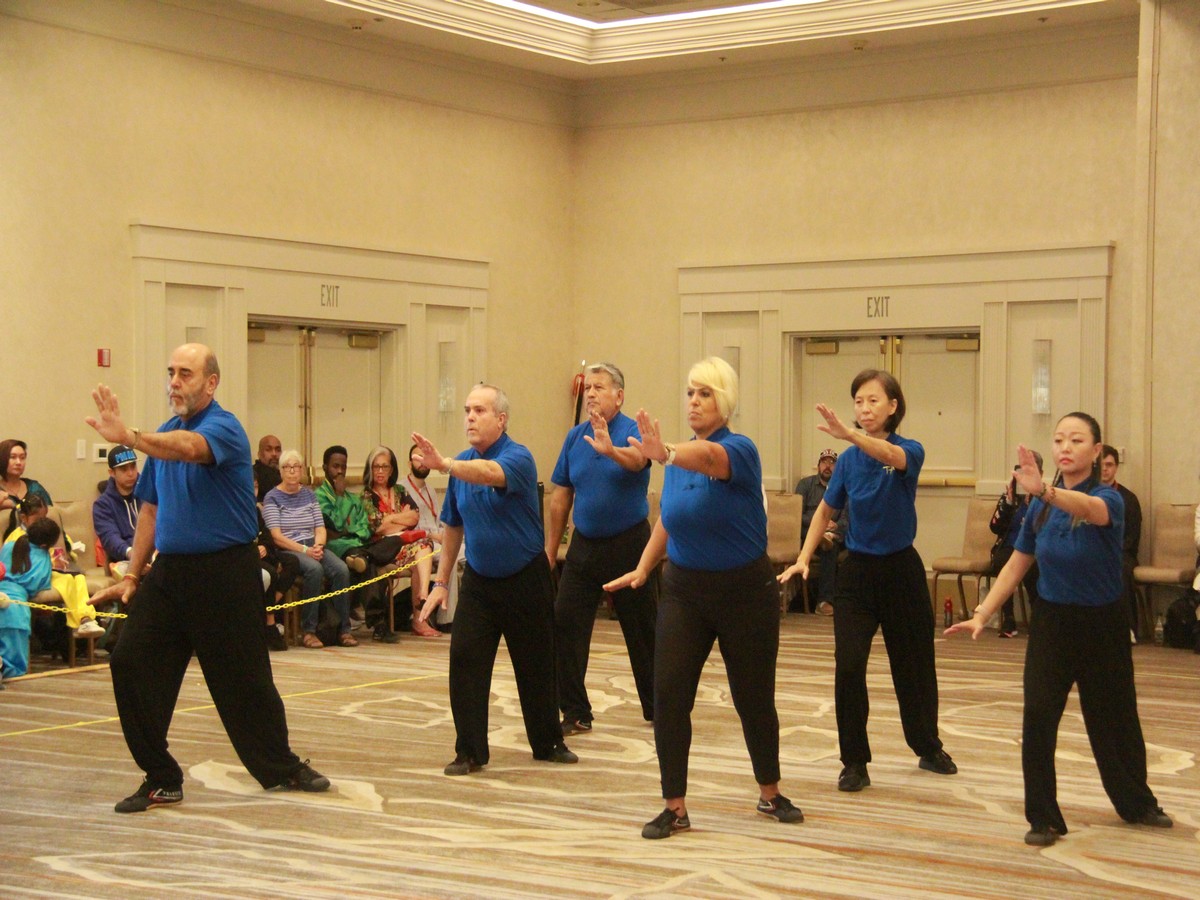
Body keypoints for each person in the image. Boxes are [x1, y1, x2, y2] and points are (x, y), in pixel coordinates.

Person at [85, 342, 330, 813]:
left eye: (186, 373)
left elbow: (191, 449)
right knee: (129, 662)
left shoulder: (224, 428)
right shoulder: (162, 435)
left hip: (225, 572)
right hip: (171, 573)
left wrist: (130, 436)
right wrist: (133, 576)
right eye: (171, 372)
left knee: (245, 682)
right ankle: (161, 777)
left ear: (211, 383)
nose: (174, 382)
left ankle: (280, 767)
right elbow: (150, 510)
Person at [945, 412, 1173, 846]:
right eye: (1059, 440)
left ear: (1097, 451)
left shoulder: (1110, 498)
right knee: (1038, 715)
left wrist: (1045, 491)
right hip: (1052, 622)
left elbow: (1089, 510)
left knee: (1114, 719)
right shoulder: (1039, 507)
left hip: (1103, 624)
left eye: (1076, 440)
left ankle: (1137, 802)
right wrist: (983, 612)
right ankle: (1043, 817)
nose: (1065, 447)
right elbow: (1017, 564)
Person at [605, 357, 804, 840]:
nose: (694, 401)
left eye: (705, 393)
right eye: (690, 392)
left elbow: (711, 460)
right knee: (670, 695)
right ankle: (674, 806)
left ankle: (770, 792)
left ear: (725, 402)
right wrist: (644, 566)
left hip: (745, 592)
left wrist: (667, 452)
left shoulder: (739, 449)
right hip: (685, 592)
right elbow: (671, 518)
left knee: (753, 697)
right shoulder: (676, 462)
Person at [779, 368, 956, 793]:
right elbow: (826, 511)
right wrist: (803, 557)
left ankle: (927, 745)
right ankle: (854, 761)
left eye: (873, 400)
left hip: (902, 571)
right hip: (857, 573)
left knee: (914, 665)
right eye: (858, 401)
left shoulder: (910, 449)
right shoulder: (847, 462)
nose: (864, 408)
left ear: (893, 406)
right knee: (849, 664)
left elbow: (891, 457)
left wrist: (850, 435)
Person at [412, 384, 578, 776]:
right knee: (465, 661)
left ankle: (548, 742)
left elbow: (491, 474)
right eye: (467, 410)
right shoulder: (460, 465)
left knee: (536, 666)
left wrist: (445, 464)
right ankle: (469, 751)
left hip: (525, 579)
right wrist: (441, 583)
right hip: (480, 583)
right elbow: (453, 526)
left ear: (501, 420)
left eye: (479, 410)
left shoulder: (518, 457)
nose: (470, 417)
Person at [546, 362, 656, 735]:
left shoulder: (633, 430)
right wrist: (550, 552)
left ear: (619, 396)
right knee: (566, 623)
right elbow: (561, 496)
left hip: (629, 544)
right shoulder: (574, 438)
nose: (590, 393)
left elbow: (639, 461)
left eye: (599, 387)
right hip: (584, 546)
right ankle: (575, 711)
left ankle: (659, 708)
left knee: (642, 631)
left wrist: (610, 450)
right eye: (588, 388)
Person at [263, 449, 356, 649]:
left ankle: (344, 629)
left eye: (296, 467)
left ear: (302, 470)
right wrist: (306, 550)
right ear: (281, 471)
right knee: (314, 569)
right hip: (289, 549)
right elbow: (276, 537)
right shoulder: (272, 497)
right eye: (287, 467)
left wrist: (318, 546)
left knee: (341, 569)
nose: (292, 471)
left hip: (313, 544)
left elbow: (320, 528)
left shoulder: (309, 494)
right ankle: (309, 631)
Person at [362, 445, 437, 638]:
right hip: (382, 550)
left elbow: (414, 517)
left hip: (404, 547)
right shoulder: (366, 496)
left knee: (423, 546)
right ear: (370, 469)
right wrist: (400, 519)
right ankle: (420, 612)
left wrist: (390, 520)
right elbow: (376, 527)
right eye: (376, 467)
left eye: (385, 466)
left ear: (392, 469)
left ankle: (421, 604)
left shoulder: (400, 490)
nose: (380, 471)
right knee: (420, 548)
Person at [6, 495, 105, 639]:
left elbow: (64, 550)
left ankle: (85, 620)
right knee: (67, 581)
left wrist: (62, 559)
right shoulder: (15, 538)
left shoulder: (46, 533)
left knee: (78, 579)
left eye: (44, 518)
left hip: (50, 573)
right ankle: (81, 620)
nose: (42, 522)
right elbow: (17, 566)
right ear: (23, 518)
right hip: (33, 578)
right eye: (38, 519)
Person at [0, 517, 61, 679]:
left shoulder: (9, 545)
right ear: (45, 545)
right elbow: (37, 586)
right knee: (13, 665)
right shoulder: (43, 557)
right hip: (15, 607)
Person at [793, 448, 845, 615]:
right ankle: (824, 601)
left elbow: (847, 517)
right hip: (808, 533)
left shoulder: (843, 487)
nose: (827, 466)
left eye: (832, 463)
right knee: (821, 539)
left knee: (831, 545)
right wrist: (819, 524)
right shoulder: (805, 485)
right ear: (818, 466)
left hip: (834, 535)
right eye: (824, 462)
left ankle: (824, 602)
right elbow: (796, 515)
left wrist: (834, 527)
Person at [1099, 445, 1142, 636]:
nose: (1105, 469)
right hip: (1091, 550)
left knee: (1120, 569)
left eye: (1109, 465)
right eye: (1101, 465)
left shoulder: (1129, 499)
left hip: (1122, 553)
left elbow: (1132, 538)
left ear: (1116, 467)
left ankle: (1127, 628)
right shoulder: (1085, 495)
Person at [93, 444, 143, 577]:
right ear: (112, 473)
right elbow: (110, 538)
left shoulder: (148, 493)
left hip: (156, 556)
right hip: (124, 561)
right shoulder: (102, 505)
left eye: (133, 466)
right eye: (124, 469)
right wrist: (132, 553)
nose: (131, 473)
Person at [0, 439, 53, 517]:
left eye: (22, 457)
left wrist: (13, 505)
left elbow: (50, 513)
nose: (18, 462)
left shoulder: (34, 487)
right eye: (13, 457)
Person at [254, 434, 282, 502]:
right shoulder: (253, 474)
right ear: (259, 454)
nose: (274, 454)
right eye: (268, 450)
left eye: (278, 450)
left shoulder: (284, 473)